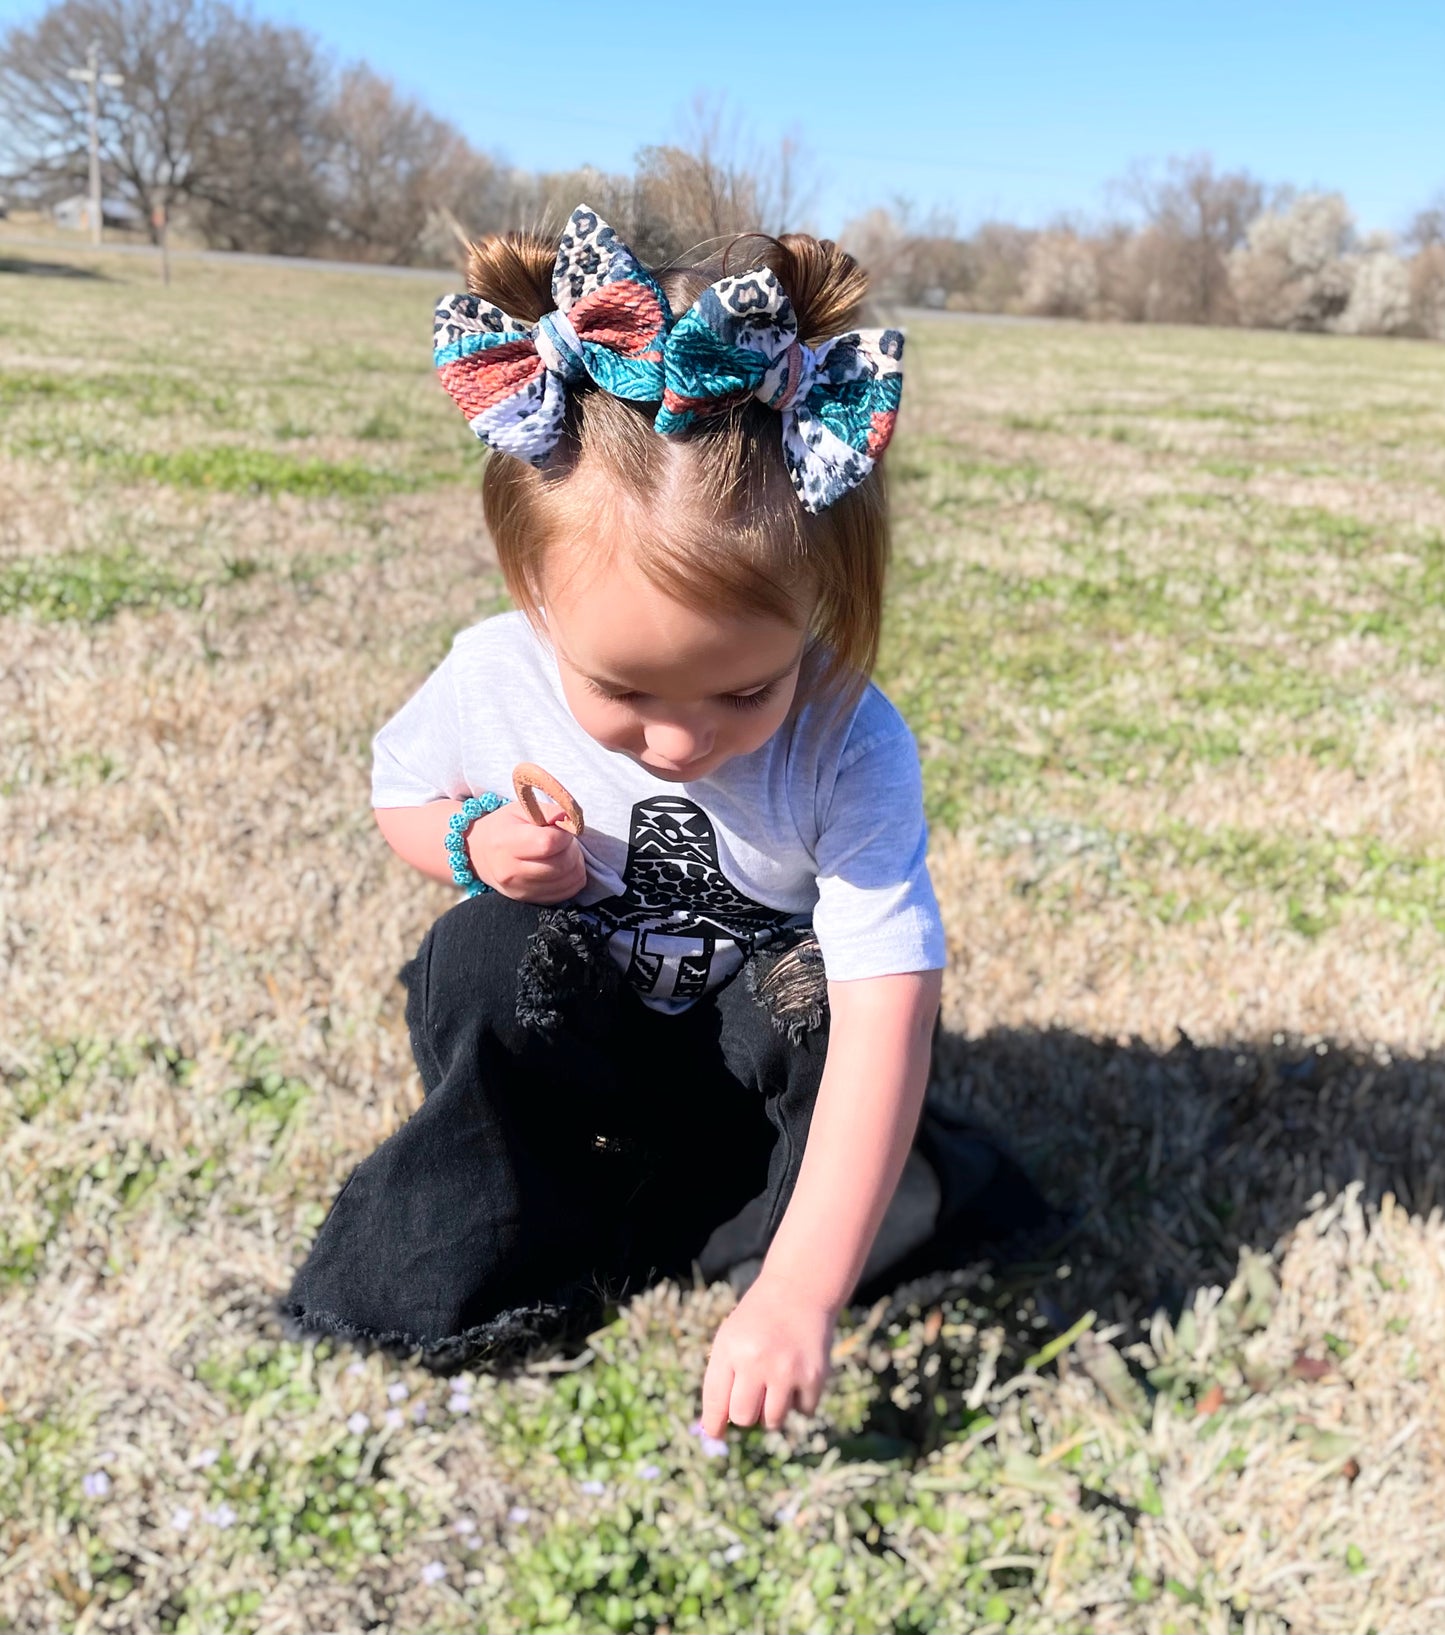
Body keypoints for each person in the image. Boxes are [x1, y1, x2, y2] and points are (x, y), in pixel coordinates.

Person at [280, 207, 1053, 1434]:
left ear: (824, 609)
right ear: (531, 592)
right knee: (484, 954)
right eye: (624, 693)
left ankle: (755, 1231)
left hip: (741, 1085)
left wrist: (801, 1291)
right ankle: (525, 1222)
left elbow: (885, 1004)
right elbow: (398, 796)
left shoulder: (850, 739)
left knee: (810, 989)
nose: (684, 744)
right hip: (575, 1066)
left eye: (746, 688)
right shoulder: (491, 671)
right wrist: (469, 838)